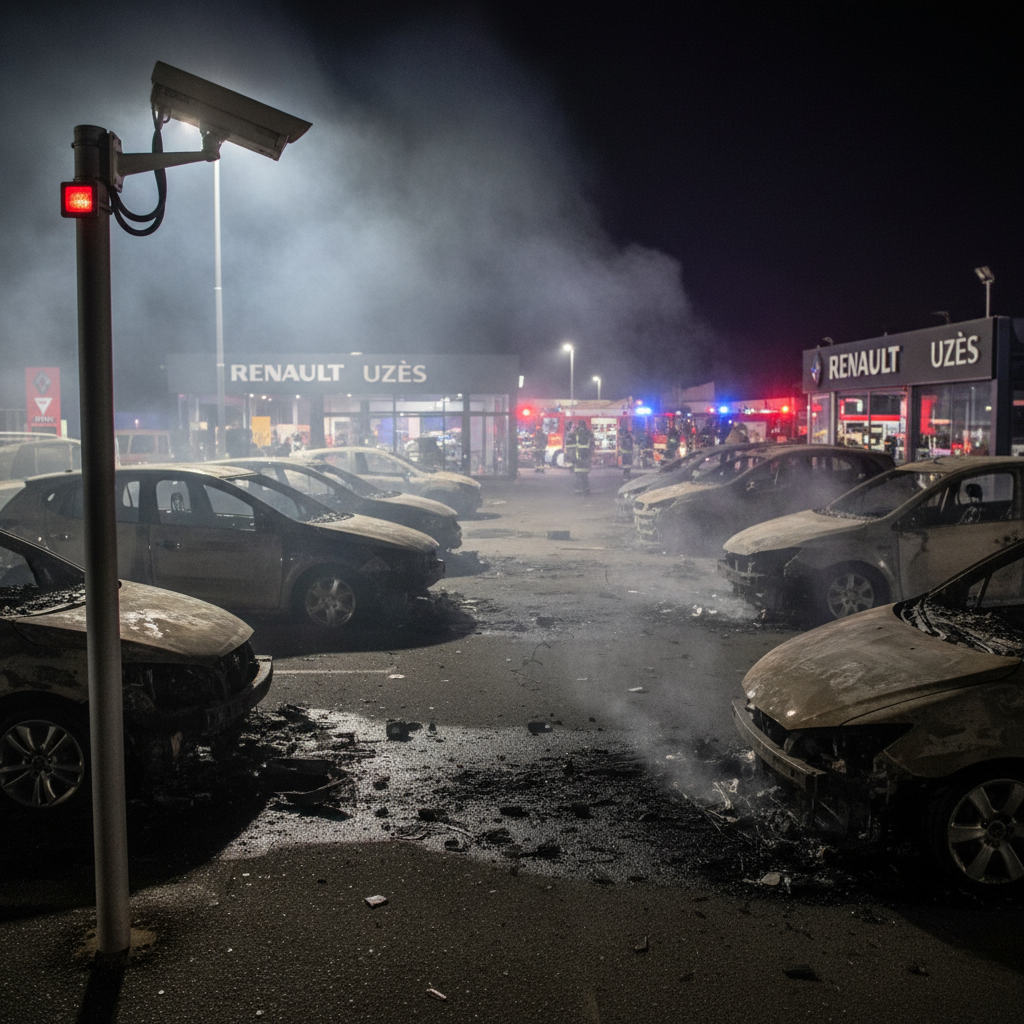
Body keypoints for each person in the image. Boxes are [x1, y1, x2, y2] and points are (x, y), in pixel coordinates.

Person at [573, 421, 593, 495]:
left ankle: (579, 489)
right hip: (586, 456)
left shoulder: (577, 433)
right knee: (585, 474)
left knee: (578, 474)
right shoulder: (589, 433)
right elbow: (592, 444)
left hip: (579, 455)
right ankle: (586, 489)